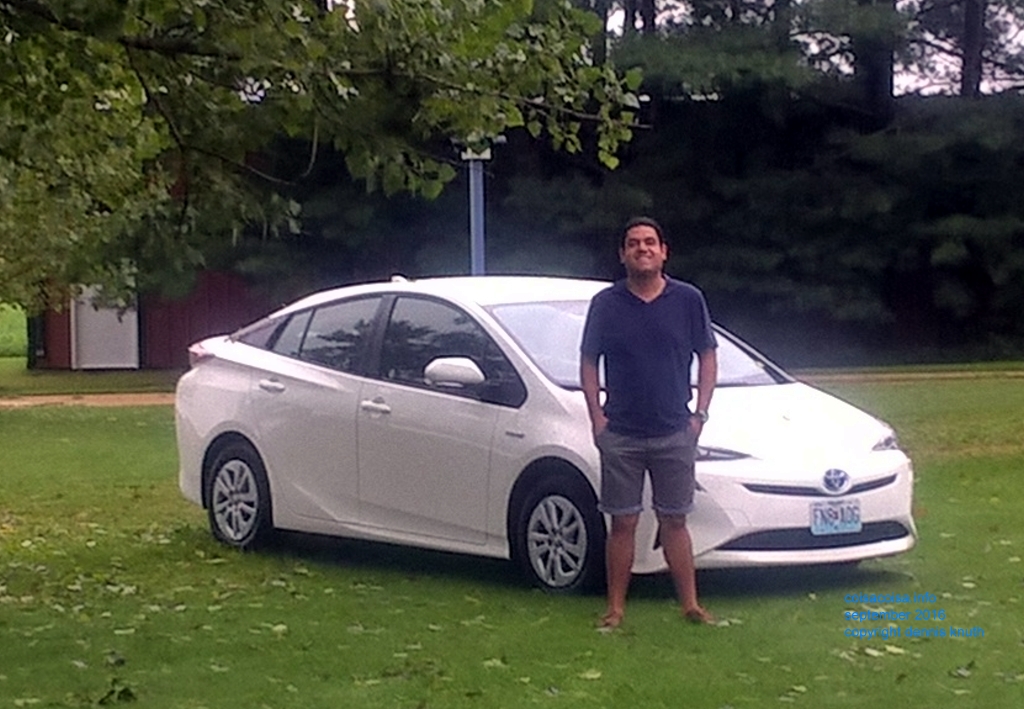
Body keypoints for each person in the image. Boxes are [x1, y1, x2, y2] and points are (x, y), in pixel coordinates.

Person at [580, 216, 718, 629]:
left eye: (650, 242)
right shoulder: (606, 304)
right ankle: (616, 610)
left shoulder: (688, 300)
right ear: (622, 255)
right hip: (620, 433)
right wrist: (596, 418)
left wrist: (700, 416)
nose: (643, 248)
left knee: (675, 520)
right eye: (634, 243)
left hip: (675, 430)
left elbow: (707, 355)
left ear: (663, 252)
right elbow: (589, 361)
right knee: (622, 522)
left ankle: (691, 606)